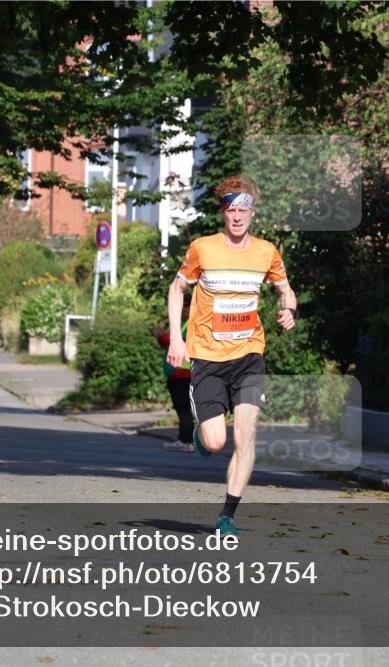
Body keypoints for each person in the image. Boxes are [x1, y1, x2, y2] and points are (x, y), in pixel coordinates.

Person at [166, 175, 297, 537]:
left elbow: (286, 291)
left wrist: (289, 310)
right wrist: (177, 338)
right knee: (215, 442)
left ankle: (227, 516)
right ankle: (201, 435)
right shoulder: (203, 249)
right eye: (231, 210)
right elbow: (177, 289)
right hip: (207, 357)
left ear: (253, 212)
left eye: (243, 209)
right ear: (223, 212)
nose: (237, 216)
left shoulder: (267, 252)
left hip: (249, 355)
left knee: (246, 435)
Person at [150, 292, 195, 453]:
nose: (181, 309)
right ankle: (186, 439)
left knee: (183, 408)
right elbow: (170, 346)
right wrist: (162, 337)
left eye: (184, 306)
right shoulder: (181, 324)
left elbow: (180, 342)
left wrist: (163, 335)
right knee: (181, 408)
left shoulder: (192, 323)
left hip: (184, 373)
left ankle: (186, 440)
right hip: (177, 373)